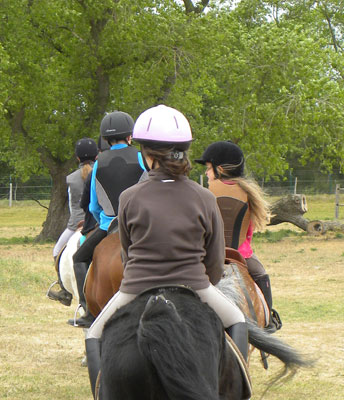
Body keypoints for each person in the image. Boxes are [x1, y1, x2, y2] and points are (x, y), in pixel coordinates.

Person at [84, 105, 248, 397]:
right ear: (183, 152)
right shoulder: (205, 197)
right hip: (195, 285)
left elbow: (127, 253)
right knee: (237, 320)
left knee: (94, 334)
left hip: (135, 287)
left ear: (147, 155)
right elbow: (213, 261)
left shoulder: (128, 197)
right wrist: (203, 281)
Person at [69, 111, 146, 328]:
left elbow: (93, 205)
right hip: (140, 224)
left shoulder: (98, 163)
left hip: (109, 225)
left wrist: (102, 221)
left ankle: (88, 311)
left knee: (79, 258)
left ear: (107, 139)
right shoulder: (141, 158)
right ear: (130, 136)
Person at [195, 140, 282, 332]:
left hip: (207, 254)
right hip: (241, 255)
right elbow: (248, 232)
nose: (206, 174)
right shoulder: (248, 193)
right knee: (260, 274)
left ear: (220, 169)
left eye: (208, 169)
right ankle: (268, 320)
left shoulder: (203, 193)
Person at [48, 137, 98, 306]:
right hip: (97, 221)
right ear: (97, 155)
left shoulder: (70, 178)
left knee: (57, 251)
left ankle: (65, 291)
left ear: (77, 158)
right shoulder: (100, 173)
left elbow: (72, 205)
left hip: (76, 223)